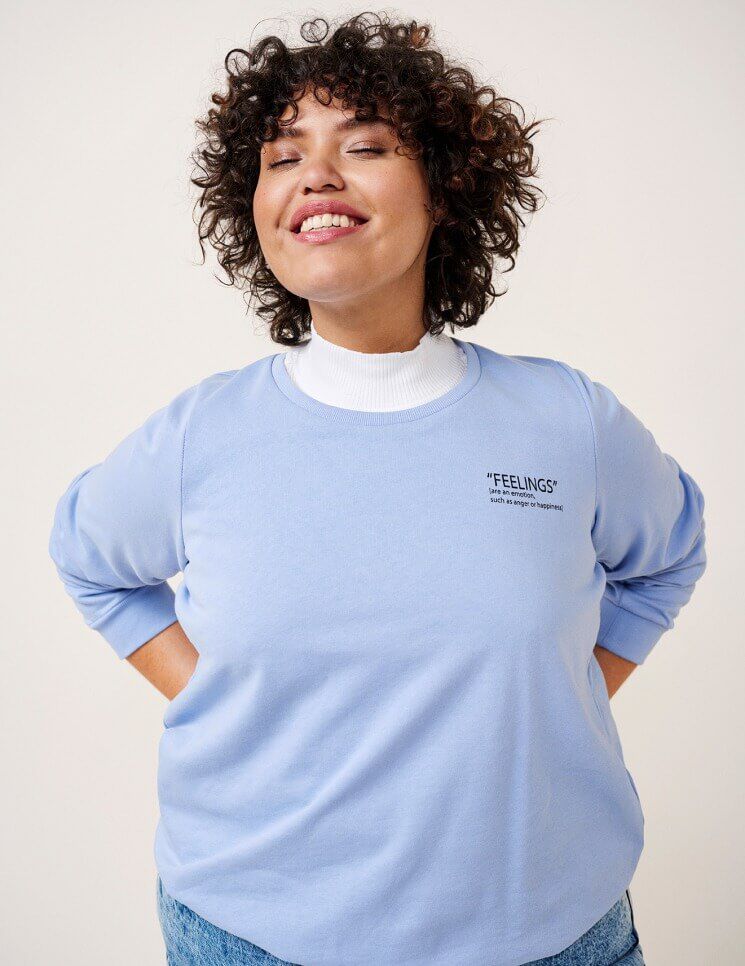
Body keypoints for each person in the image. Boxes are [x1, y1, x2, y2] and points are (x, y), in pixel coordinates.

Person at [48, 13, 706, 966]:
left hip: (550, 933)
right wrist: (213, 694)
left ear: (443, 191)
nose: (316, 174)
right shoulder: (198, 439)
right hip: (252, 935)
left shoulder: (569, 421)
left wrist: (558, 697)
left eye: (364, 147)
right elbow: (91, 563)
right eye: (282, 157)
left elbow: (667, 558)